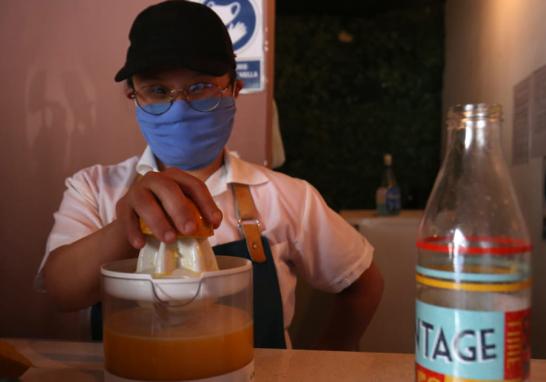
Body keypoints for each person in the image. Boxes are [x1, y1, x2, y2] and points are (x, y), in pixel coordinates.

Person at [37, 0, 383, 350]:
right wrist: (126, 224)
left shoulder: (287, 196)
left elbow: (363, 283)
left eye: (200, 86)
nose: (180, 106)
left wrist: (325, 364)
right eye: (158, 90)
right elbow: (61, 292)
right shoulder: (93, 188)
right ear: (133, 95)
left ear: (234, 89)